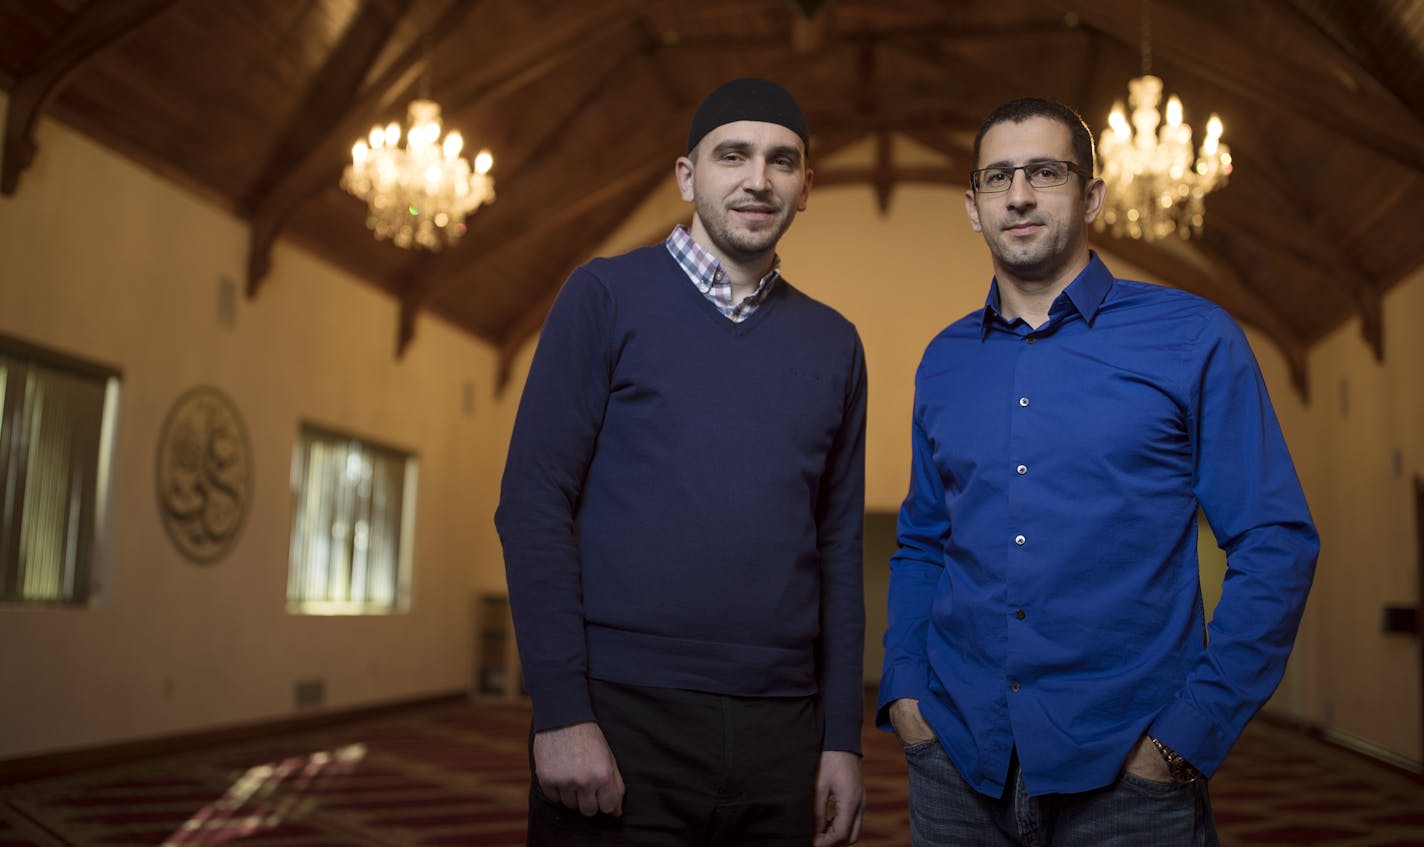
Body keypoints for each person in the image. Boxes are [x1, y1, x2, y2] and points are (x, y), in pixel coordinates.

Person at [877, 97, 1319, 845]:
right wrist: (905, 695)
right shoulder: (944, 361)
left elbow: (1275, 542)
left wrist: (1186, 736)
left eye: (1044, 172)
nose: (1018, 194)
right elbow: (923, 541)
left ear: (1093, 196)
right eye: (997, 177)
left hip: (1128, 779)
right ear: (973, 205)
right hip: (956, 768)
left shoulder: (1194, 337)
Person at [495, 77, 867, 847]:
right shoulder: (603, 296)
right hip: (623, 714)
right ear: (687, 175)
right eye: (732, 155)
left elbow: (837, 548)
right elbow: (533, 503)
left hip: (782, 731)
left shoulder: (835, 344)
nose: (758, 178)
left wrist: (841, 735)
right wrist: (562, 710)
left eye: (782, 160)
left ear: (805, 189)